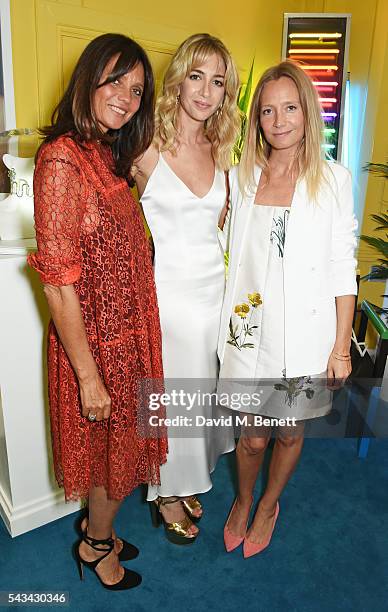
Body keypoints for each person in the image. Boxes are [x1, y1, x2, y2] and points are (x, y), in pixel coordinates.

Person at [28, 33, 167, 589]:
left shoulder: (107, 153)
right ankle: (95, 546)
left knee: (122, 454)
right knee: (115, 458)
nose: (126, 97)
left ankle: (96, 524)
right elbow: (59, 286)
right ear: (88, 77)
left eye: (136, 89)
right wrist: (88, 377)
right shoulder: (62, 160)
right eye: (116, 80)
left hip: (128, 336)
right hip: (97, 348)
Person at [218, 60, 357, 557]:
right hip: (249, 331)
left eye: (290, 108)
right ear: (257, 118)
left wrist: (341, 347)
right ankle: (242, 498)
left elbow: (344, 264)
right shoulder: (242, 175)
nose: (279, 120)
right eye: (268, 110)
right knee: (252, 438)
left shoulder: (333, 179)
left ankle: (269, 504)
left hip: (304, 333)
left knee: (289, 431)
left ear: (307, 113)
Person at [134, 33, 240, 543]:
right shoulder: (144, 144)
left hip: (213, 293)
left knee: (203, 395)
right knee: (172, 398)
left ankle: (187, 475)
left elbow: (220, 225)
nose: (205, 91)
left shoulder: (221, 149)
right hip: (168, 296)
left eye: (217, 81)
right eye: (196, 76)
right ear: (178, 78)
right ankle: (167, 492)